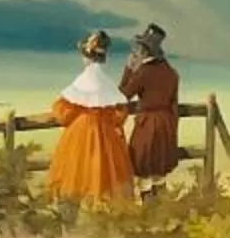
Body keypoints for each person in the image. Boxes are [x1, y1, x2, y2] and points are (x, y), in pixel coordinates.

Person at [46, 30, 135, 203]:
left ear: (86, 57)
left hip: (80, 132)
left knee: (75, 176)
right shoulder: (107, 82)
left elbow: (63, 113)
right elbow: (119, 116)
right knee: (105, 178)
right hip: (107, 136)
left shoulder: (83, 80)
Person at [119, 24, 181, 190]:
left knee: (143, 170)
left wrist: (129, 69)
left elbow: (123, 95)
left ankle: (149, 209)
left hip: (148, 125)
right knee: (159, 171)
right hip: (167, 124)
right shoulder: (172, 72)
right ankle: (159, 209)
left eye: (139, 48)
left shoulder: (144, 72)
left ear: (145, 51)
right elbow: (174, 105)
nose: (137, 51)